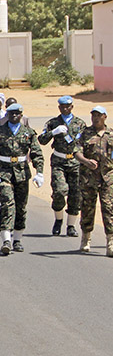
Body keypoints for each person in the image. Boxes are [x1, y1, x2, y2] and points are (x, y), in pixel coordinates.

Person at [0, 104, 44, 255]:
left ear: (21, 115)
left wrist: (39, 172)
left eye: (17, 114)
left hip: (22, 172)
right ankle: (6, 240)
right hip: (3, 171)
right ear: (7, 115)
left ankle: (17, 239)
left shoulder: (28, 133)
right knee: (7, 203)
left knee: (21, 207)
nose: (14, 116)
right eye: (11, 113)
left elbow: (36, 153)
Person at [39, 95, 85, 236]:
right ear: (59, 107)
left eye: (68, 106)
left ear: (72, 107)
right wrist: (53, 132)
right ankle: (58, 220)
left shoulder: (80, 124)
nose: (65, 108)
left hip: (76, 162)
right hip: (59, 161)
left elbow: (86, 143)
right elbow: (41, 140)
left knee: (75, 195)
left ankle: (71, 225)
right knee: (59, 191)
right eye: (62, 106)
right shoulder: (53, 123)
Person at [74, 106, 113, 255]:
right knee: (88, 209)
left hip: (108, 179)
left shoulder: (111, 134)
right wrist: (85, 161)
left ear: (105, 117)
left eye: (98, 115)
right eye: (93, 115)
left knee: (109, 209)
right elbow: (76, 152)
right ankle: (86, 238)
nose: (95, 118)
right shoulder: (85, 134)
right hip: (89, 178)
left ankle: (110, 241)